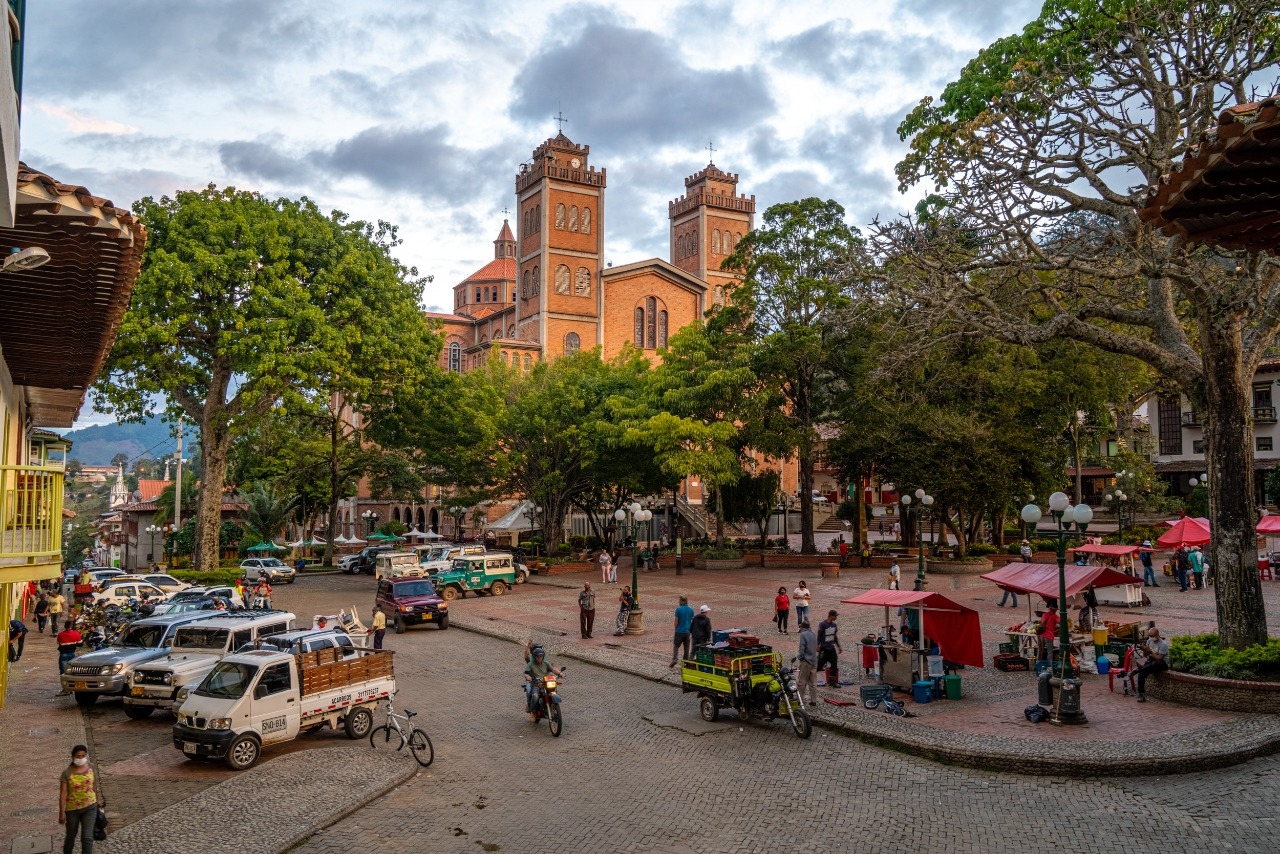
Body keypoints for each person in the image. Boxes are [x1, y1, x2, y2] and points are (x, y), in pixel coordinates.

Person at [59, 744, 103, 854]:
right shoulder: (67, 773)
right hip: (72, 809)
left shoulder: (91, 767)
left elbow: (94, 785)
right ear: (73, 757)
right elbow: (63, 793)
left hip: (90, 807)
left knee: (87, 837)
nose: (81, 758)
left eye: (83, 756)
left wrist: (97, 801)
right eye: (78, 756)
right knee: (71, 836)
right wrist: (62, 812)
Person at [523, 645, 562, 720]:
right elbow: (526, 673)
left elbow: (553, 670)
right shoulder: (530, 664)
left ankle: (552, 707)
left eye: (541, 656)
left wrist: (560, 673)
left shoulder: (546, 663)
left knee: (553, 691)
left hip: (545, 682)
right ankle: (533, 711)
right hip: (536, 683)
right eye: (537, 656)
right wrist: (528, 677)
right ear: (534, 657)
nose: (539, 658)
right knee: (535, 695)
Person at [1135, 626, 1169, 702]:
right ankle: (1141, 693)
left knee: (1153, 664)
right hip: (1151, 660)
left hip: (1161, 663)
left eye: (1152, 636)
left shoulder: (1163, 644)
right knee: (1141, 670)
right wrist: (1144, 649)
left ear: (1157, 635)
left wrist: (1150, 651)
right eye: (1149, 636)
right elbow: (1146, 656)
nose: (1151, 638)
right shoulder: (1149, 641)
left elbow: (1159, 658)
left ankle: (1139, 669)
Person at [816, 610, 842, 687]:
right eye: (835, 616)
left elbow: (835, 636)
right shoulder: (822, 624)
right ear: (830, 615)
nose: (836, 617)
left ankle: (832, 682)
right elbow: (819, 635)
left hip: (831, 648)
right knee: (819, 665)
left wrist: (838, 646)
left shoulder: (834, 625)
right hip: (824, 649)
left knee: (834, 665)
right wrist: (817, 645)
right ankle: (809, 677)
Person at [796, 620, 818, 706]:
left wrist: (800, 658)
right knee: (813, 682)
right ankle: (814, 700)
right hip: (814, 661)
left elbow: (802, 648)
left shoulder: (803, 634)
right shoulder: (813, 634)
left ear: (802, 627)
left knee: (802, 681)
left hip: (806, 661)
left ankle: (800, 699)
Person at [670, 596, 694, 667]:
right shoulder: (691, 609)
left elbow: (676, 620)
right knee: (686, 647)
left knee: (676, 646)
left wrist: (676, 629)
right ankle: (685, 661)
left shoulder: (678, 609)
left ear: (680, 601)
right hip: (687, 632)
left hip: (679, 631)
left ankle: (674, 659)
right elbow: (692, 620)